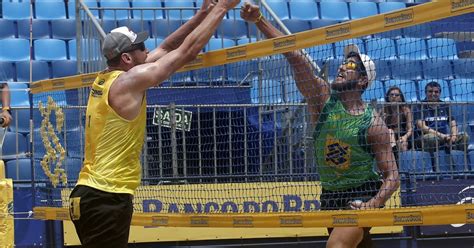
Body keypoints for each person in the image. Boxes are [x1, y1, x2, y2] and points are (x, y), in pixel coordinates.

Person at [68, 0, 240, 247]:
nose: (147, 51)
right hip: (105, 195)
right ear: (127, 57)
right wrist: (222, 7)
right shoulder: (128, 82)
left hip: (91, 193)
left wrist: (202, 14)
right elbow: (186, 52)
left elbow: (168, 45)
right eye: (141, 47)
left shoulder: (109, 77)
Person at [241, 3, 399, 248]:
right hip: (330, 194)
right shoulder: (322, 98)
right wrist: (259, 19)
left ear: (363, 81)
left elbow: (392, 176)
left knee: (336, 246)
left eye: (351, 65)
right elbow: (295, 56)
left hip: (363, 191)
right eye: (343, 62)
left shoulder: (373, 122)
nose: (342, 66)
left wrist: (372, 205)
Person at [415, 81, 469, 153]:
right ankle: (432, 162)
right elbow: (422, 126)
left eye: (436, 92)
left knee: (464, 136)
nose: (433, 94)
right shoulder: (420, 106)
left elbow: (453, 123)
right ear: (426, 93)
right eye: (430, 91)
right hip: (425, 138)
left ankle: (454, 158)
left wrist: (453, 136)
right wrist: (441, 136)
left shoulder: (444, 105)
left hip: (444, 137)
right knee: (431, 138)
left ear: (439, 93)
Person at [381, 86, 413, 156]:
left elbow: (410, 128)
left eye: (397, 95)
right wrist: (382, 120)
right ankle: (394, 153)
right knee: (390, 132)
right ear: (388, 97)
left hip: (402, 135)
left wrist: (405, 137)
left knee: (402, 144)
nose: (394, 96)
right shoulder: (383, 110)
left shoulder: (405, 110)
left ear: (400, 98)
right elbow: (378, 129)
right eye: (391, 95)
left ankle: (403, 165)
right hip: (387, 137)